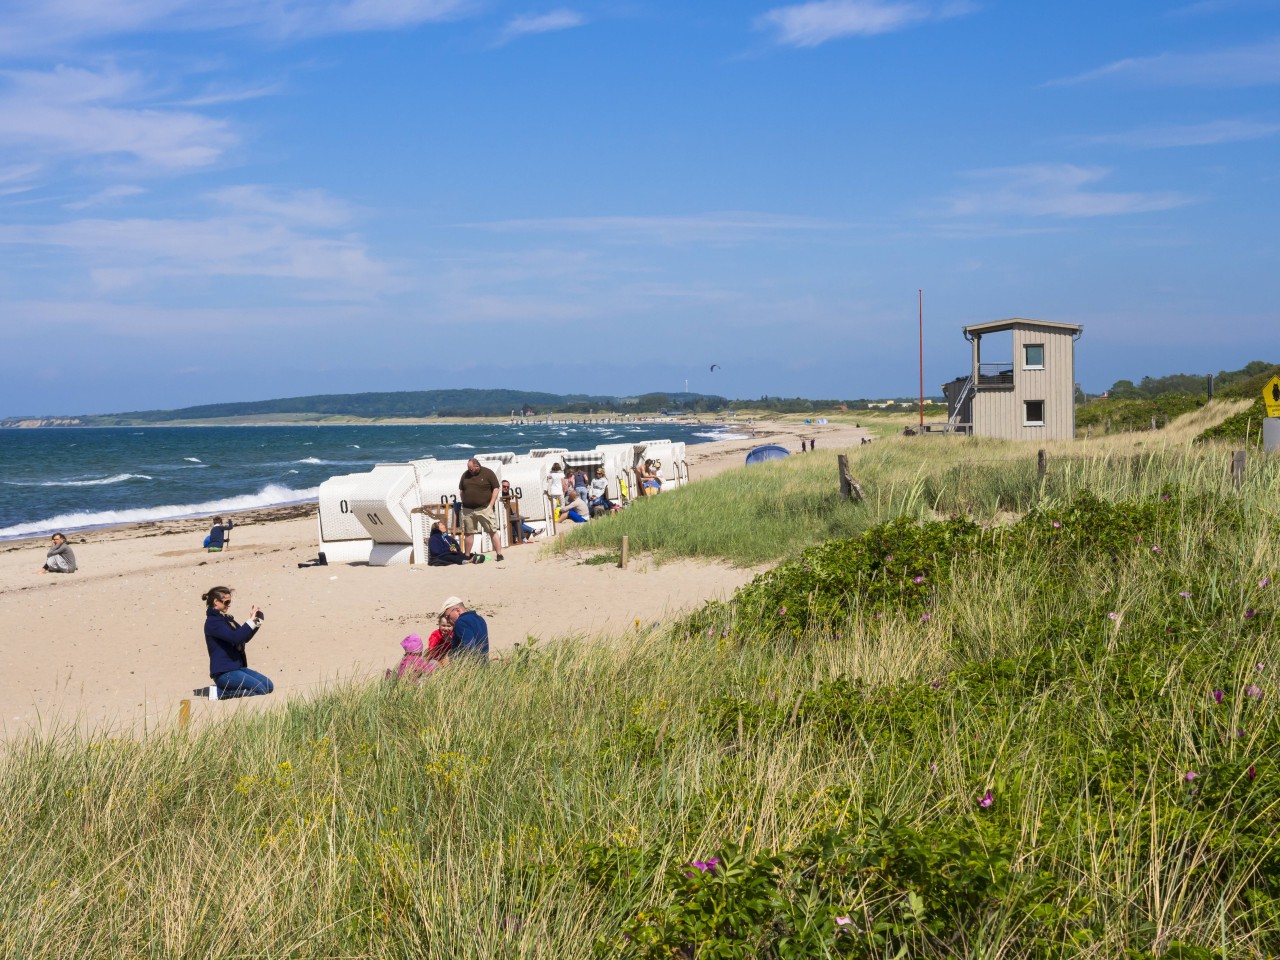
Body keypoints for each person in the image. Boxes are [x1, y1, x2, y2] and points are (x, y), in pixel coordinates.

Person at [202, 585, 273, 698]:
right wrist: (250, 621)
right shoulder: (213, 623)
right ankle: (218, 692)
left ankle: (226, 690)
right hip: (224, 673)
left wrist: (257, 622)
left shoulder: (226, 619)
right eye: (226, 602)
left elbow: (244, 637)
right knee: (260, 690)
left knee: (269, 686)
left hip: (237, 668)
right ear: (216, 601)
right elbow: (236, 638)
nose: (229, 605)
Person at [458, 458, 504, 561]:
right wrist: (464, 502)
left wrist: (491, 504)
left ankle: (499, 554)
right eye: (468, 469)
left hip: (484, 508)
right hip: (468, 509)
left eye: (471, 469)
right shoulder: (465, 475)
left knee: (492, 530)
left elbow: (496, 488)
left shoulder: (488, 473)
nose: (469, 471)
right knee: (469, 532)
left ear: (477, 466)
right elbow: (461, 490)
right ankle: (467, 555)